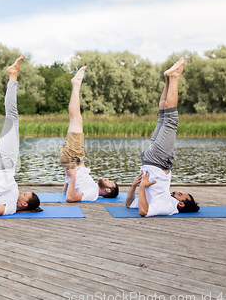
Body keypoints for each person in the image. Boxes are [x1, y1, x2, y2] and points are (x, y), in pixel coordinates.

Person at [126, 57, 200, 216]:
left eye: (180, 194)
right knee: (163, 117)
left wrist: (139, 186)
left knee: (172, 120)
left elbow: (143, 212)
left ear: (180, 204)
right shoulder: (164, 198)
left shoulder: (168, 206)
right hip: (148, 158)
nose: (177, 191)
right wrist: (136, 187)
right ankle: (168, 79)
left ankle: (174, 77)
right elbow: (129, 203)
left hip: (157, 160)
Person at [0, 56, 41, 217]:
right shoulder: (11, 192)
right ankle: (12, 76)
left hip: (5, 163)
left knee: (12, 116)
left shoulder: (11, 206)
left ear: (24, 204)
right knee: (11, 118)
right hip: (2, 165)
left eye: (25, 194)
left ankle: (13, 75)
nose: (22, 192)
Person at [59, 66, 119, 202]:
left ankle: (76, 84)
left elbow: (70, 198)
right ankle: (76, 84)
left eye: (110, 182)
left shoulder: (93, 193)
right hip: (73, 160)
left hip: (73, 159)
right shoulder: (92, 186)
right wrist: (68, 180)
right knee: (76, 119)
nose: (108, 179)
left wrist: (72, 176)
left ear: (108, 190)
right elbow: (66, 192)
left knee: (76, 119)